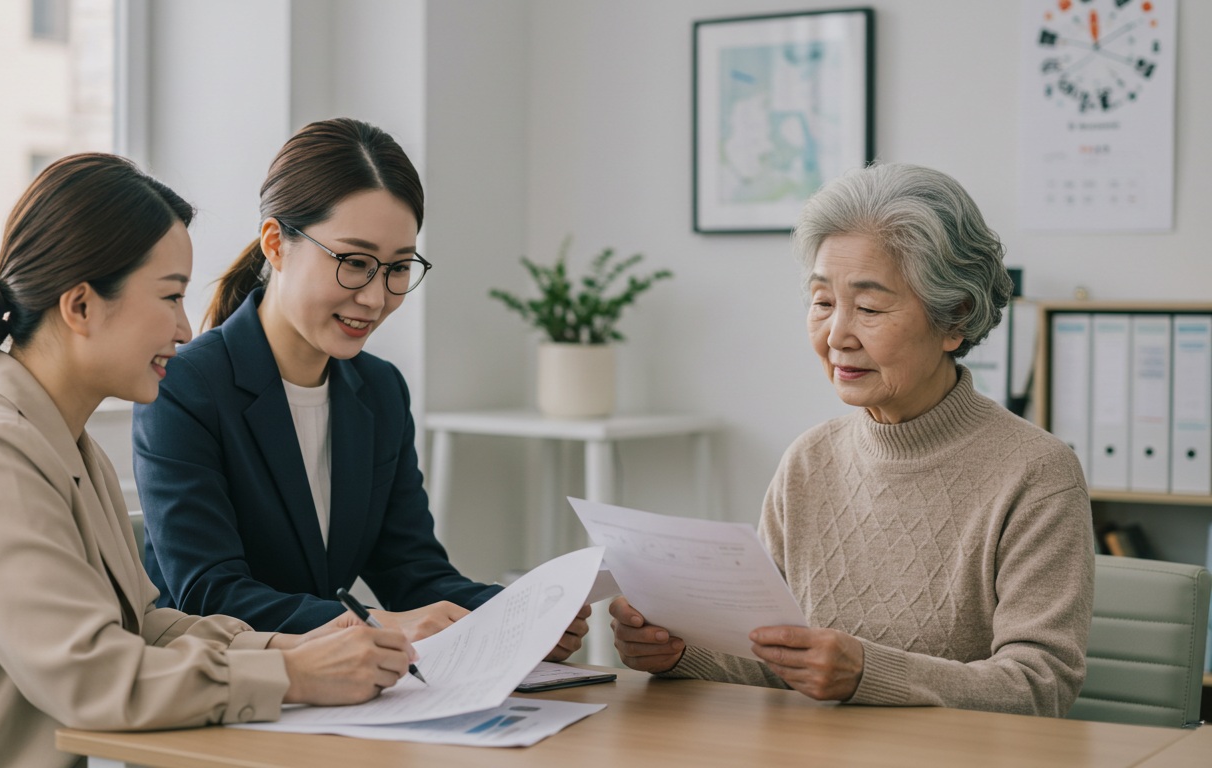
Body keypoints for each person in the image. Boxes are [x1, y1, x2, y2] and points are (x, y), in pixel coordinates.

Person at [0, 154, 415, 768]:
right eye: (171, 296)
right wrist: (290, 674)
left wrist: (305, 644)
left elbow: (145, 627)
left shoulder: (65, 444)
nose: (185, 328)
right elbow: (91, 679)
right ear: (80, 307)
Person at [610, 163, 1094, 717]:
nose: (837, 334)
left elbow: (1041, 685)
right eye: (822, 302)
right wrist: (676, 652)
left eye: (868, 308)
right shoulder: (808, 460)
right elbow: (770, 656)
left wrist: (869, 672)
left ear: (954, 317)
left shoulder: (1037, 473)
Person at [132, 118, 588, 659]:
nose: (375, 297)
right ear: (276, 244)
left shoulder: (379, 390)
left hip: (335, 695)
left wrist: (517, 612)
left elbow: (413, 572)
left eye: (398, 268)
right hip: (221, 690)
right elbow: (209, 594)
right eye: (354, 263)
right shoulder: (186, 388)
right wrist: (379, 624)